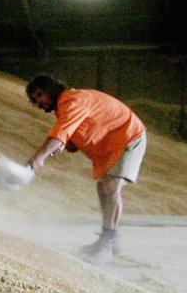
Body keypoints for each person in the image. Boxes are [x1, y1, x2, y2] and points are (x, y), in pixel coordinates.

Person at [24, 75, 147, 264]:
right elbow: (74, 133)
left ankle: (107, 243)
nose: (40, 102)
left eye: (41, 95)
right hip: (112, 144)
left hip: (128, 136)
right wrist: (68, 143)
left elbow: (60, 133)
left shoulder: (73, 101)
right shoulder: (64, 107)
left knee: (111, 187)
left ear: (51, 89)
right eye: (35, 99)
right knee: (103, 187)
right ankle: (109, 240)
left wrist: (39, 157)